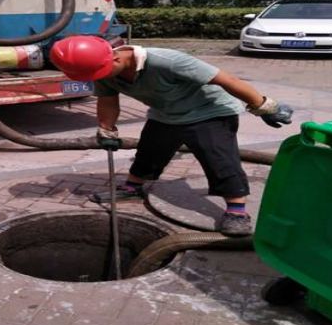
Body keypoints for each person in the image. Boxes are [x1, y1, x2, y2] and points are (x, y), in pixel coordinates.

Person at [50, 35, 293, 236]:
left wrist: (263, 106)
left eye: (99, 72)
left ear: (113, 55)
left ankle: (237, 211)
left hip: (209, 112)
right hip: (165, 114)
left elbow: (226, 79)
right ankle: (133, 189)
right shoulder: (101, 71)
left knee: (219, 159)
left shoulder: (167, 60)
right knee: (149, 151)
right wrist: (106, 128)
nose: (98, 77)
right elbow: (107, 100)